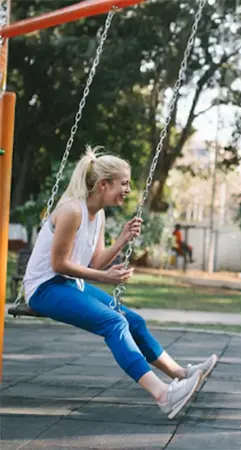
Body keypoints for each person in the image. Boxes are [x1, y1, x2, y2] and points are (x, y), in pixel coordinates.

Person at [23, 146, 217, 419]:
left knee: (133, 320)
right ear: (103, 184)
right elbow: (59, 265)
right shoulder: (71, 211)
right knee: (114, 322)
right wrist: (105, 278)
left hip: (68, 285)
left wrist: (122, 239)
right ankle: (163, 395)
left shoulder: (98, 214)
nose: (128, 189)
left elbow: (95, 262)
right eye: (123, 183)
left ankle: (181, 374)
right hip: (45, 288)